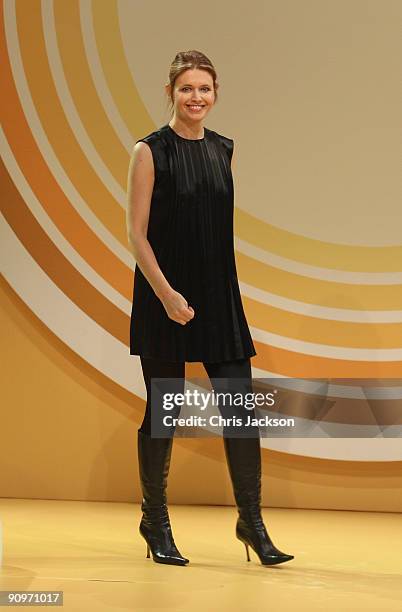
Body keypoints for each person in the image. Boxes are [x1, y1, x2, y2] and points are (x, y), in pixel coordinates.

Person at [126, 50, 294, 567]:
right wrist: (168, 296)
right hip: (165, 298)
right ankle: (155, 522)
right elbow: (136, 233)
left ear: (215, 93)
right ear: (170, 93)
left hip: (219, 298)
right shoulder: (149, 150)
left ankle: (253, 525)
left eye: (204, 89)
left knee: (241, 413)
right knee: (165, 411)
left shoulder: (224, 149)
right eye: (186, 89)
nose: (195, 98)